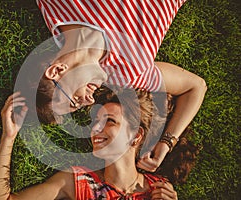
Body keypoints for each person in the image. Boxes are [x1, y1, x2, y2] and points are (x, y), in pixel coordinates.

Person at [32, 0, 207, 172]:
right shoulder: (126, 75)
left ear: (56, 71)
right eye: (80, 105)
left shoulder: (57, 7)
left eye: (75, 99)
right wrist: (166, 144)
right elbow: (195, 87)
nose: (90, 99)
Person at [0, 88, 199, 199]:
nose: (95, 130)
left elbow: (195, 88)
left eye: (109, 122)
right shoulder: (76, 181)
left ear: (136, 136)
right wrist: (9, 138)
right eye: (96, 122)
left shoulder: (159, 190)